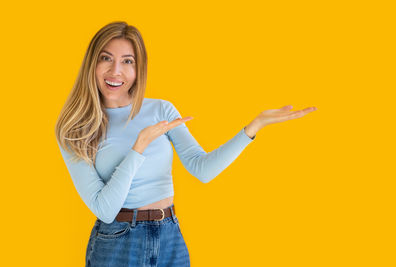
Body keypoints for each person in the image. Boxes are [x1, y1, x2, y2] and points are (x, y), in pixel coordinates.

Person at [55, 21, 317, 267]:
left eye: (127, 61)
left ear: (139, 69)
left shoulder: (161, 110)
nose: (116, 71)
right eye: (106, 58)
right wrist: (139, 146)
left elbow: (201, 169)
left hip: (170, 235)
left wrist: (253, 127)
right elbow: (105, 209)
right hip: (118, 241)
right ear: (92, 62)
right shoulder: (75, 129)